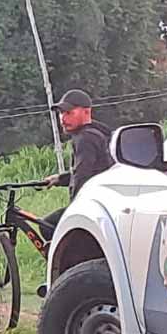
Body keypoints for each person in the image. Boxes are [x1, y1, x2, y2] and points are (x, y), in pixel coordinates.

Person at [40, 89, 115, 240]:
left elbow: (83, 176)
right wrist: (60, 179)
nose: (62, 118)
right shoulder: (97, 133)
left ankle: (62, 262)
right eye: (61, 113)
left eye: (69, 113)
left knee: (46, 225)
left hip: (91, 208)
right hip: (104, 206)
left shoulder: (85, 139)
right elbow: (95, 171)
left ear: (86, 112)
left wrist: (74, 211)